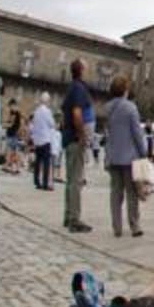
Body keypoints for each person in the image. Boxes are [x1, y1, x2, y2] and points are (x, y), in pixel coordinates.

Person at [103, 75, 147, 238]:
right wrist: (143, 153)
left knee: (115, 193)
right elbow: (137, 133)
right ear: (125, 90)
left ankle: (117, 227)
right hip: (130, 157)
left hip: (113, 156)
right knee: (131, 193)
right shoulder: (131, 108)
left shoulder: (107, 108)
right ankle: (134, 225)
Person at [61, 62, 93, 231]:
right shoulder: (79, 88)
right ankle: (74, 219)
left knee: (70, 179)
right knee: (76, 180)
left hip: (68, 138)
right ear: (81, 70)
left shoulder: (71, 88)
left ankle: (68, 216)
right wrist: (81, 135)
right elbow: (77, 113)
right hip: (75, 139)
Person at [30, 92, 55, 191]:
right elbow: (52, 124)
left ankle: (36, 181)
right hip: (45, 139)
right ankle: (45, 183)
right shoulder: (47, 111)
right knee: (46, 163)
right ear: (47, 101)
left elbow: (34, 125)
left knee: (37, 162)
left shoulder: (36, 111)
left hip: (38, 140)